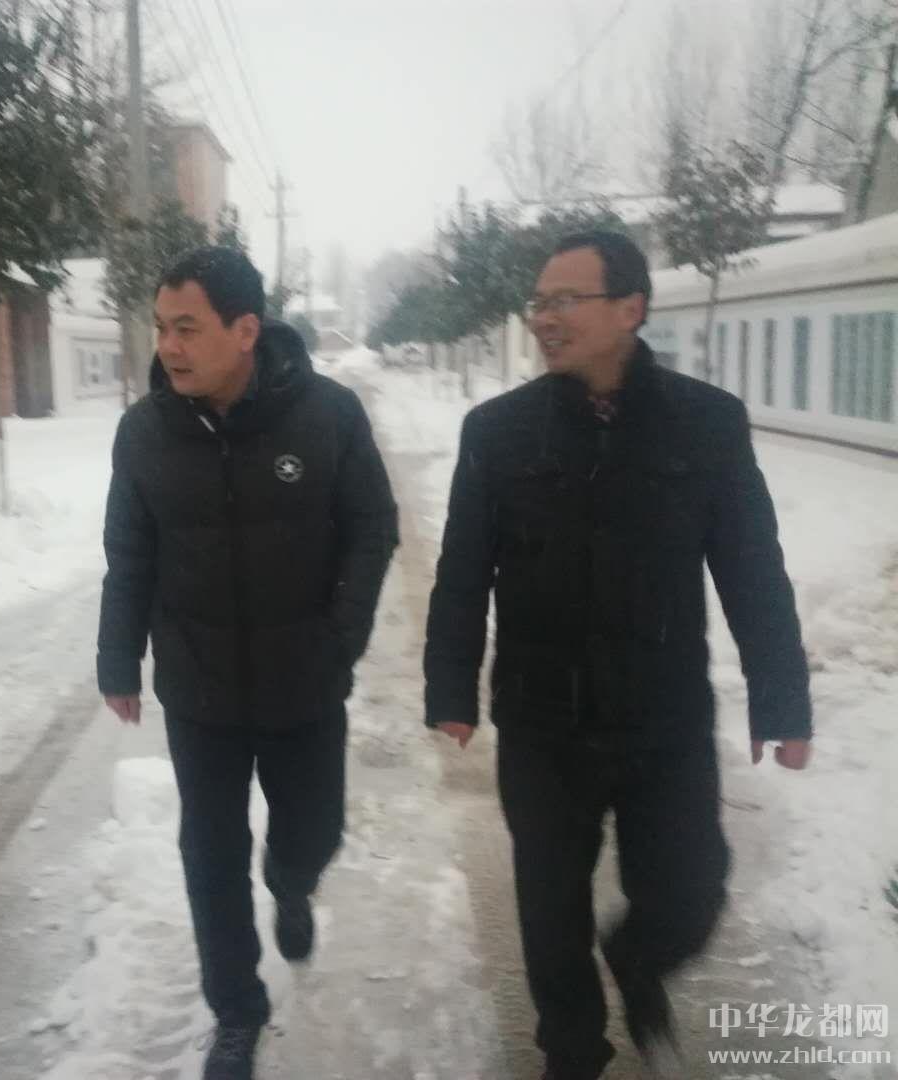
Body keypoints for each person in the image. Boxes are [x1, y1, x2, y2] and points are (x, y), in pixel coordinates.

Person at [424, 230, 813, 1079]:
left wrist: (782, 698)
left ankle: (639, 959)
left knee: (690, 889)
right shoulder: (499, 432)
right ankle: (572, 1051)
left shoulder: (707, 424)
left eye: (566, 300)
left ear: (631, 308)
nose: (544, 318)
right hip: (542, 722)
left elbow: (752, 569)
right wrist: (449, 685)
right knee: (549, 909)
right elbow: (462, 572)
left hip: (663, 718)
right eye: (539, 302)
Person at [97, 247, 399, 1080]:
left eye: (186, 328)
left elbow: (372, 529)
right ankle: (236, 1010)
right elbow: (129, 552)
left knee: (312, 834)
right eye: (161, 327)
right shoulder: (144, 433)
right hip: (200, 687)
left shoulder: (328, 415)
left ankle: (292, 884)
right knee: (210, 854)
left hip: (306, 681)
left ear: (245, 331)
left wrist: (340, 637)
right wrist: (119, 655)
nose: (168, 346)